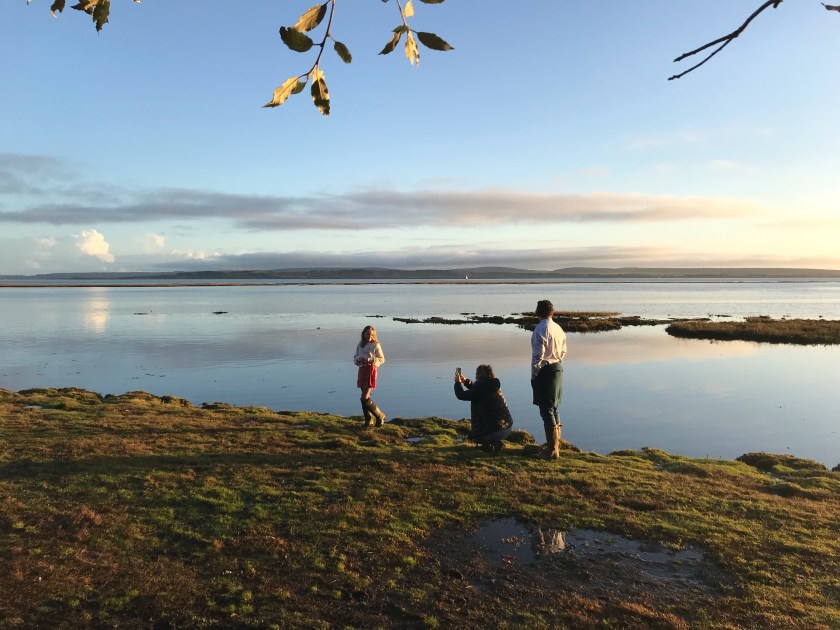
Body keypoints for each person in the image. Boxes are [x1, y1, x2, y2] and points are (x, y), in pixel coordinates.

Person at [530, 299, 567, 459]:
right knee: (554, 408)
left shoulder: (540, 328)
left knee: (546, 409)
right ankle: (556, 447)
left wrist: (534, 374)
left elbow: (538, 355)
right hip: (558, 368)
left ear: (538, 312)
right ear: (552, 312)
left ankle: (552, 450)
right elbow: (564, 351)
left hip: (545, 370)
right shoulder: (558, 328)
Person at [454, 364, 513, 454]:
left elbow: (461, 395)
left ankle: (494, 443)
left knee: (473, 436)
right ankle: (491, 443)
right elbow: (479, 390)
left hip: (496, 431)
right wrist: (465, 381)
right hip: (507, 427)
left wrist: (457, 383)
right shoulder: (494, 385)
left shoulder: (480, 389)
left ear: (478, 375)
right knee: (481, 429)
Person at [354, 325, 386, 427]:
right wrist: (359, 359)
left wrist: (371, 359)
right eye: (368, 334)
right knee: (363, 397)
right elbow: (355, 358)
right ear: (364, 334)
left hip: (371, 371)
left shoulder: (376, 345)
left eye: (372, 335)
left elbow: (382, 359)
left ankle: (380, 415)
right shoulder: (360, 345)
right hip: (362, 370)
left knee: (365, 397)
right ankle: (368, 421)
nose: (370, 336)